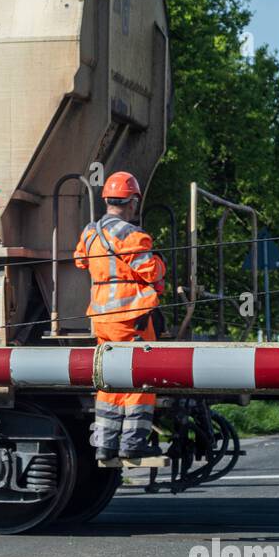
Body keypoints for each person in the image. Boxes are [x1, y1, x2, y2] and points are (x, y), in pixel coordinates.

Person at [73, 171, 167, 462]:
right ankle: (133, 443)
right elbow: (150, 271)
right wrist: (161, 264)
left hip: (101, 317)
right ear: (133, 202)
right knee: (140, 378)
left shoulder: (90, 232)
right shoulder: (131, 234)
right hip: (131, 317)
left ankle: (105, 443)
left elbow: (80, 261)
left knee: (109, 380)